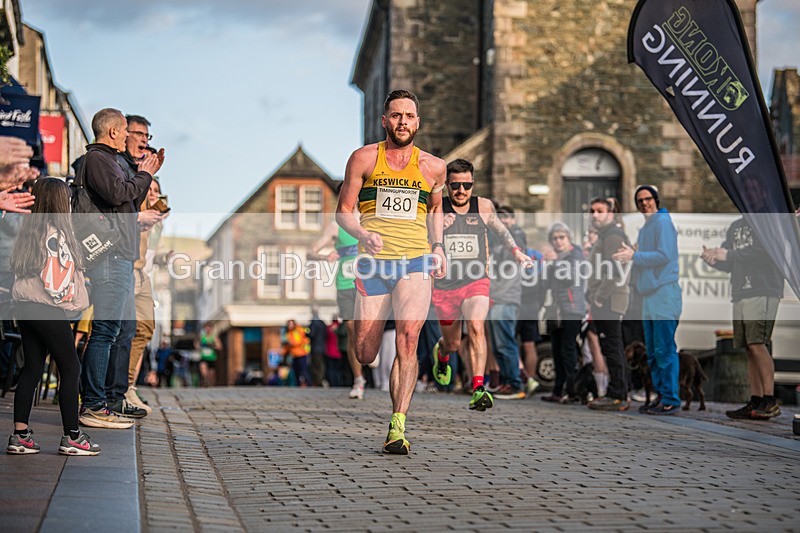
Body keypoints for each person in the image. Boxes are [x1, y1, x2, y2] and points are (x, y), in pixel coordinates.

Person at [336, 89, 447, 455]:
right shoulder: (364, 158)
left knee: (408, 339)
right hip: (374, 262)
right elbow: (344, 211)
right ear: (385, 120)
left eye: (409, 116)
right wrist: (362, 234)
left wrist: (438, 247)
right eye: (396, 115)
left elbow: (435, 209)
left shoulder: (434, 166)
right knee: (365, 352)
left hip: (415, 261)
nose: (403, 122)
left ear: (418, 122)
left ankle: (397, 425)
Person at [74, 108, 160, 429]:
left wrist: (142, 173)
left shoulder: (112, 160)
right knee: (105, 330)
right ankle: (94, 405)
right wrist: (144, 175)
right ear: (113, 131)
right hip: (109, 256)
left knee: (119, 330)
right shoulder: (98, 159)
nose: (127, 136)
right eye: (125, 131)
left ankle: (108, 400)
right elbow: (117, 193)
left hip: (120, 254)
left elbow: (128, 204)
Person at [6, 178, 99, 455]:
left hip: (24, 306)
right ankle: (73, 437)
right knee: (71, 368)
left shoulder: (28, 231)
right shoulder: (56, 236)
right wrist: (72, 300)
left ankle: (20, 436)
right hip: (47, 308)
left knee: (32, 369)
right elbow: (56, 283)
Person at [431, 161, 532, 408]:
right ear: (447, 185)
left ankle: (478, 387)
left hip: (476, 280)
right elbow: (420, 241)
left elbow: (502, 231)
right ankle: (442, 354)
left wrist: (517, 252)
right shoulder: (436, 208)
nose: (461, 191)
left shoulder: (483, 206)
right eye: (455, 185)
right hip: (445, 286)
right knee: (454, 344)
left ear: (473, 184)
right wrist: (437, 230)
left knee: (477, 326)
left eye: (466, 185)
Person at [701, 179, 784, 420]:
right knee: (749, 348)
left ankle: (769, 400)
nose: (748, 194)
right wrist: (714, 260)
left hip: (763, 289)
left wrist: (728, 254)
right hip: (741, 291)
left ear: (763, 193)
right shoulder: (736, 226)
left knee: (758, 343)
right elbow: (731, 263)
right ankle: (755, 400)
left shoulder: (769, 221)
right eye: (745, 191)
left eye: (753, 189)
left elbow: (764, 252)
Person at [613, 185, 682, 415]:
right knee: (652, 352)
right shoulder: (646, 228)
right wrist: (631, 255)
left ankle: (671, 399)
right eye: (640, 200)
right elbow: (643, 258)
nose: (644, 203)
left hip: (664, 293)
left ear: (656, 200)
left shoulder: (662, 222)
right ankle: (661, 395)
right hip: (649, 295)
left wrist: (634, 255)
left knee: (664, 349)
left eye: (648, 199)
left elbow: (664, 255)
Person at [308, 184, 367, 398]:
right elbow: (310, 252)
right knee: (351, 330)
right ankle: (358, 379)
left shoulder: (369, 219)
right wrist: (325, 256)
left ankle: (370, 353)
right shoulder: (336, 226)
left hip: (369, 282)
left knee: (367, 327)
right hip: (345, 284)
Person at [586, 197, 631, 411]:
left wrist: (600, 297)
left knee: (612, 346)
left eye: (600, 210)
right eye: (592, 211)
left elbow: (614, 270)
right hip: (606, 299)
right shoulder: (605, 235)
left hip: (609, 300)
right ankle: (617, 392)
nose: (595, 215)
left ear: (610, 213)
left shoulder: (613, 235)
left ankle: (617, 394)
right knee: (609, 345)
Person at [540, 222, 587, 403]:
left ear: (568, 238)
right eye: (554, 238)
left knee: (568, 350)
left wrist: (555, 262)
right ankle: (558, 390)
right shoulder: (556, 258)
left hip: (572, 308)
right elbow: (545, 283)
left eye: (561, 237)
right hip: (555, 310)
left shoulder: (576, 255)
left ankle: (573, 390)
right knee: (557, 351)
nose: (558, 241)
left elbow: (570, 277)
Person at [283, 319, 311, 387]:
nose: (289, 326)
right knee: (296, 372)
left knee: (303, 371)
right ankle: (297, 386)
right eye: (289, 324)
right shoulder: (288, 333)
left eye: (291, 324)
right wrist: (283, 353)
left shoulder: (298, 330)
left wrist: (292, 343)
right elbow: (287, 346)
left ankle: (309, 385)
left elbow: (301, 341)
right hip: (294, 355)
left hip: (301, 354)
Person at [308, 307, 328, 387]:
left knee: (315, 366)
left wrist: (306, 334)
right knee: (321, 365)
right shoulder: (322, 323)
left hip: (315, 347)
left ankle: (318, 381)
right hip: (322, 347)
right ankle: (321, 379)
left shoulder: (313, 323)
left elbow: (312, 334)